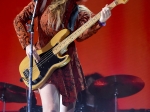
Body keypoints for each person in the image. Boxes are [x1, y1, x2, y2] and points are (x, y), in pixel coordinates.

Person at [13, 0, 111, 112]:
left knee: (67, 110)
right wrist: (27, 45)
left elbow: (81, 35)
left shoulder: (76, 9)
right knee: (51, 109)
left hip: (66, 62)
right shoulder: (42, 3)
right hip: (43, 60)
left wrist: (101, 21)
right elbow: (18, 20)